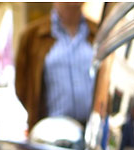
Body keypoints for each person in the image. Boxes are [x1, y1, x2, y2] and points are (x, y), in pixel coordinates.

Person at [15, 3, 97, 131]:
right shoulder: (32, 36)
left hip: (92, 131)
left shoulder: (97, 32)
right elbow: (22, 87)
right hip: (51, 133)